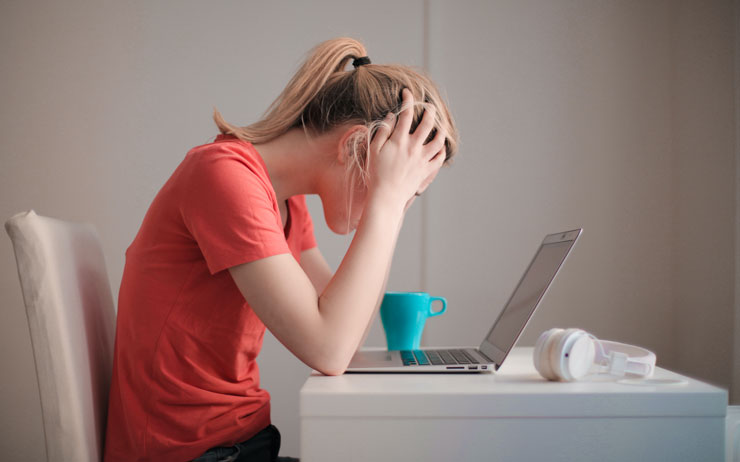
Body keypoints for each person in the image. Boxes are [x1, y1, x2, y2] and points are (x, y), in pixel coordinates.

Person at [104, 37, 458, 462]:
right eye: (399, 183)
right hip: (189, 454)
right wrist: (386, 203)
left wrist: (390, 204)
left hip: (243, 444)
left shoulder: (286, 204)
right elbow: (329, 349)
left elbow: (348, 328)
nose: (398, 200)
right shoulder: (223, 178)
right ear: (352, 147)